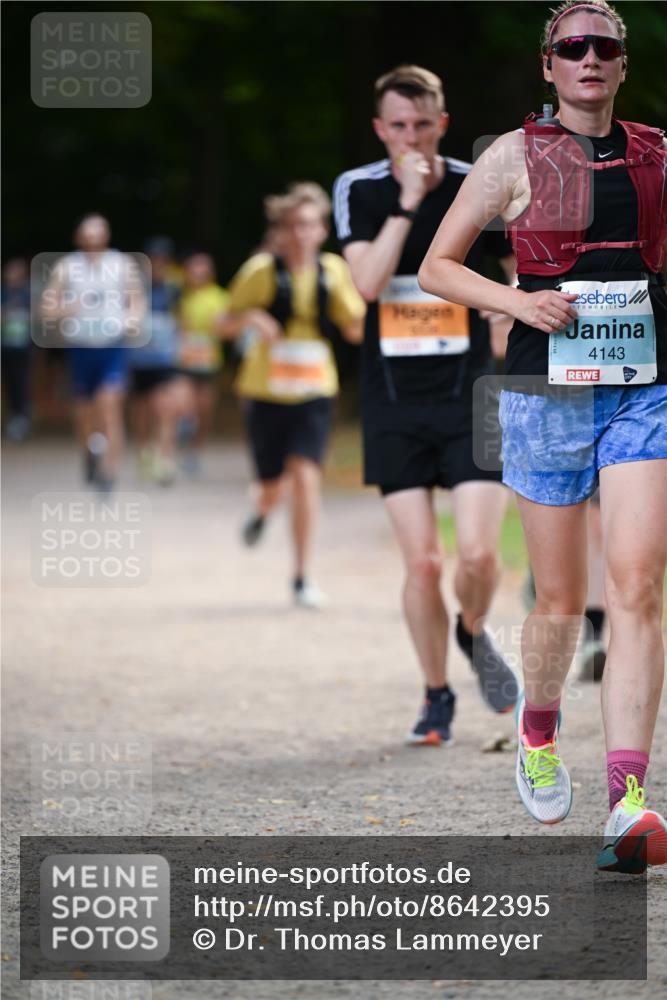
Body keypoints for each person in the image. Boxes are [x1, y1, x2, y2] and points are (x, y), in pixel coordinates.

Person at [419, 0, 667, 872]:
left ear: (622, 64)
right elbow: (436, 265)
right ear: (549, 64)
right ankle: (537, 732)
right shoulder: (513, 156)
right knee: (559, 601)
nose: (589, 58)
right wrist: (518, 300)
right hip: (543, 393)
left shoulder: (656, 155)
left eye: (605, 45)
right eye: (574, 46)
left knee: (636, 583)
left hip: (642, 391)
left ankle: (629, 798)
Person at [333, 65, 519, 746]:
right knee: (423, 565)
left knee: (475, 557)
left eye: (422, 125)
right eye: (397, 127)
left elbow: (518, 267)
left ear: (441, 123)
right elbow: (368, 283)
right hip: (393, 401)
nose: (410, 137)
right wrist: (409, 201)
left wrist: (509, 313)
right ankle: (435, 694)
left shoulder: (479, 182)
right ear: (381, 129)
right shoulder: (361, 188)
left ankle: (471, 630)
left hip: (472, 393)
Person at [220, 182, 365, 608]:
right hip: (265, 390)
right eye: (292, 226)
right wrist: (251, 317)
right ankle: (261, 510)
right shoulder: (260, 271)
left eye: (309, 225)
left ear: (322, 229)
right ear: (281, 231)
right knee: (271, 484)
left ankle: (301, 576)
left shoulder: (334, 271)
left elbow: (355, 329)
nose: (301, 233)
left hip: (315, 388)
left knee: (305, 476)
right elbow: (221, 324)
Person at [41, 214, 146, 490]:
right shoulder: (67, 267)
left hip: (112, 345)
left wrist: (132, 319)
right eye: (87, 235)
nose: (92, 240)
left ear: (107, 235)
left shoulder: (121, 264)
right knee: (85, 413)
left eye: (97, 234)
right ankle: (89, 454)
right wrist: (67, 308)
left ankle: (109, 473)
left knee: (109, 406)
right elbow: (47, 308)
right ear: (79, 238)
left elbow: (136, 300)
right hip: (80, 347)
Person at [129, 237, 182, 486]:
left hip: (165, 360)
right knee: (141, 411)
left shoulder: (175, 289)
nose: (158, 265)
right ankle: (143, 452)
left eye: (162, 260)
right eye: (154, 260)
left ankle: (165, 457)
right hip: (140, 360)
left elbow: (182, 320)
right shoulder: (134, 289)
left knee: (166, 409)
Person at [175, 253, 229, 475]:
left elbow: (225, 330)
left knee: (204, 409)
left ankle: (195, 450)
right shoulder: (180, 296)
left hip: (208, 361)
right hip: (184, 360)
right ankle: (185, 429)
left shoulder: (219, 297)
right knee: (186, 404)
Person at [1, 258, 32, 441]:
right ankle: (13, 417)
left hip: (22, 349)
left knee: (20, 384)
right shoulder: (2, 293)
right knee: (8, 384)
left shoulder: (27, 295)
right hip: (4, 347)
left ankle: (20, 418)